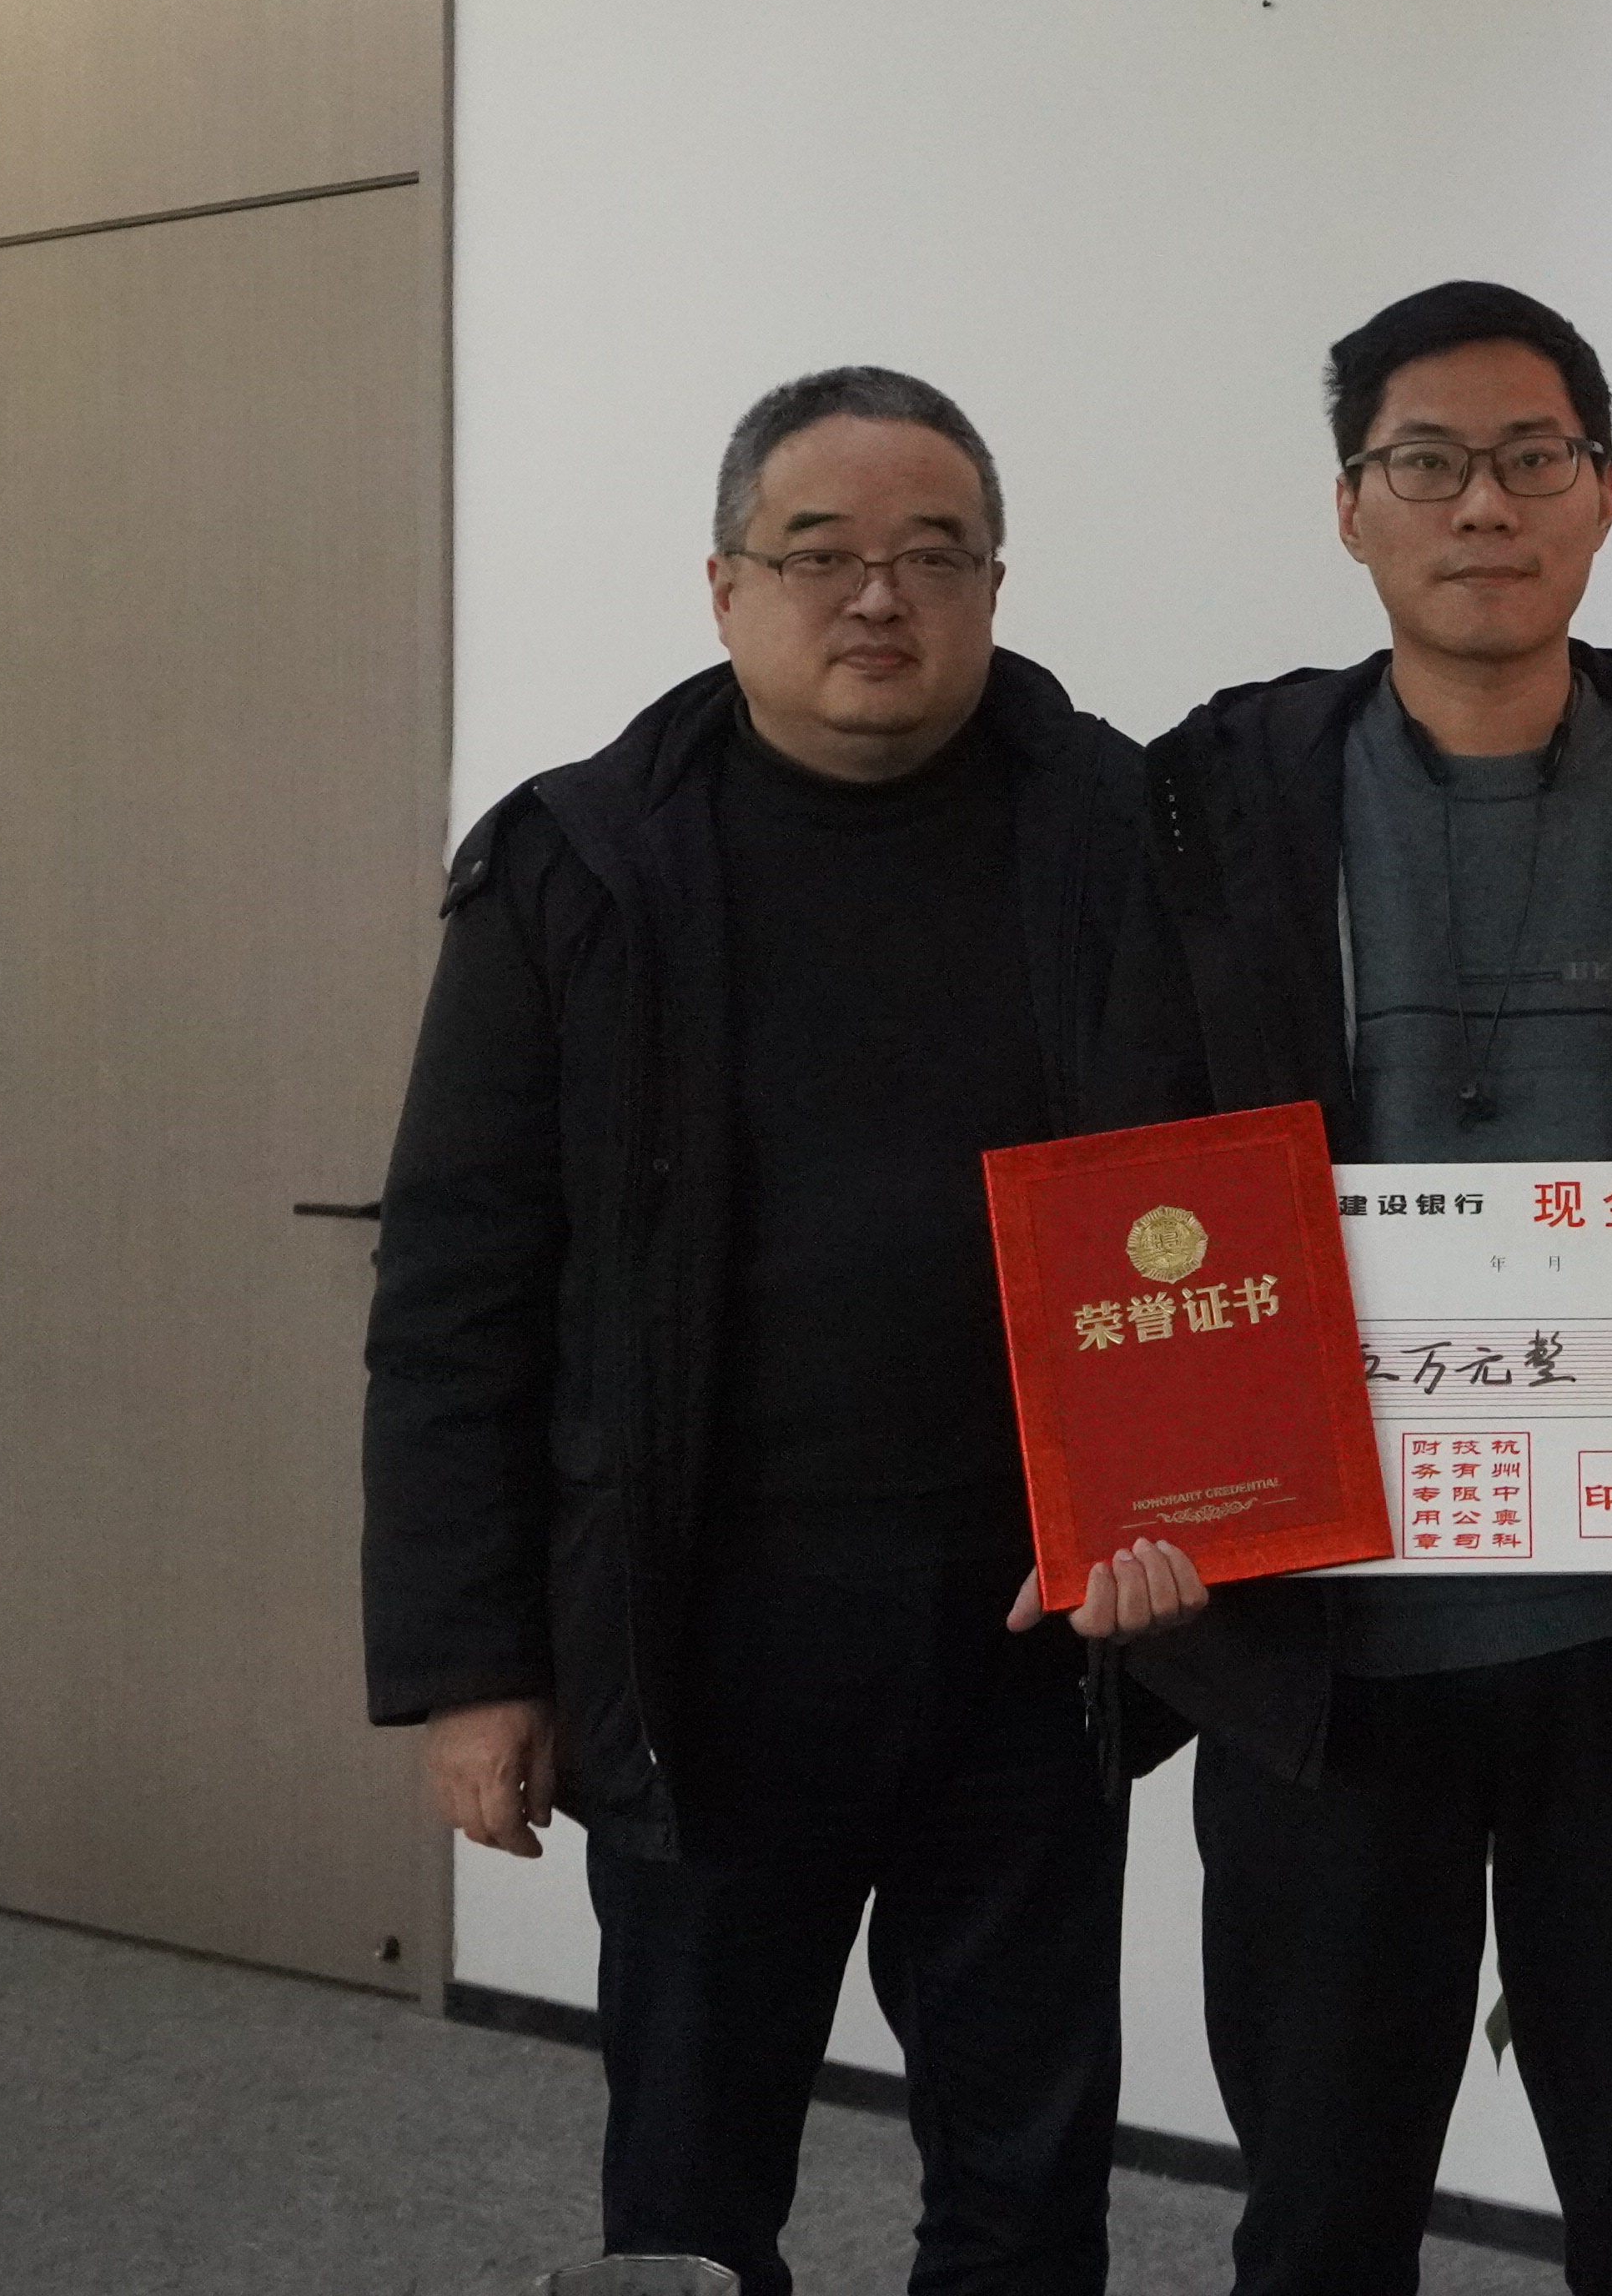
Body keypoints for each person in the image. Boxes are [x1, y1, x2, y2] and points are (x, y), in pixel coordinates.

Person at [359, 366, 1207, 2296]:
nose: (879, 596)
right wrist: (471, 1664)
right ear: (724, 583)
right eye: (820, 553)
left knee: (1027, 2177)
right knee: (688, 2176)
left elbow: (1224, 1195)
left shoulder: (1125, 834)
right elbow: (456, 1292)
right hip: (705, 1630)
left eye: (935, 554)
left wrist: (1196, 1504)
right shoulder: (582, 865)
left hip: (1036, 1623)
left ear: (997, 584)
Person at [1117, 279, 1612, 2296]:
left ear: (1604, 490)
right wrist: (1123, 1488)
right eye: (1428, 461)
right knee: (1317, 2228)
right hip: (1327, 1654)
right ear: (1350, 507)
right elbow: (1135, 1163)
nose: (1485, 502)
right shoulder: (1223, 802)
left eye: (1534, 456)